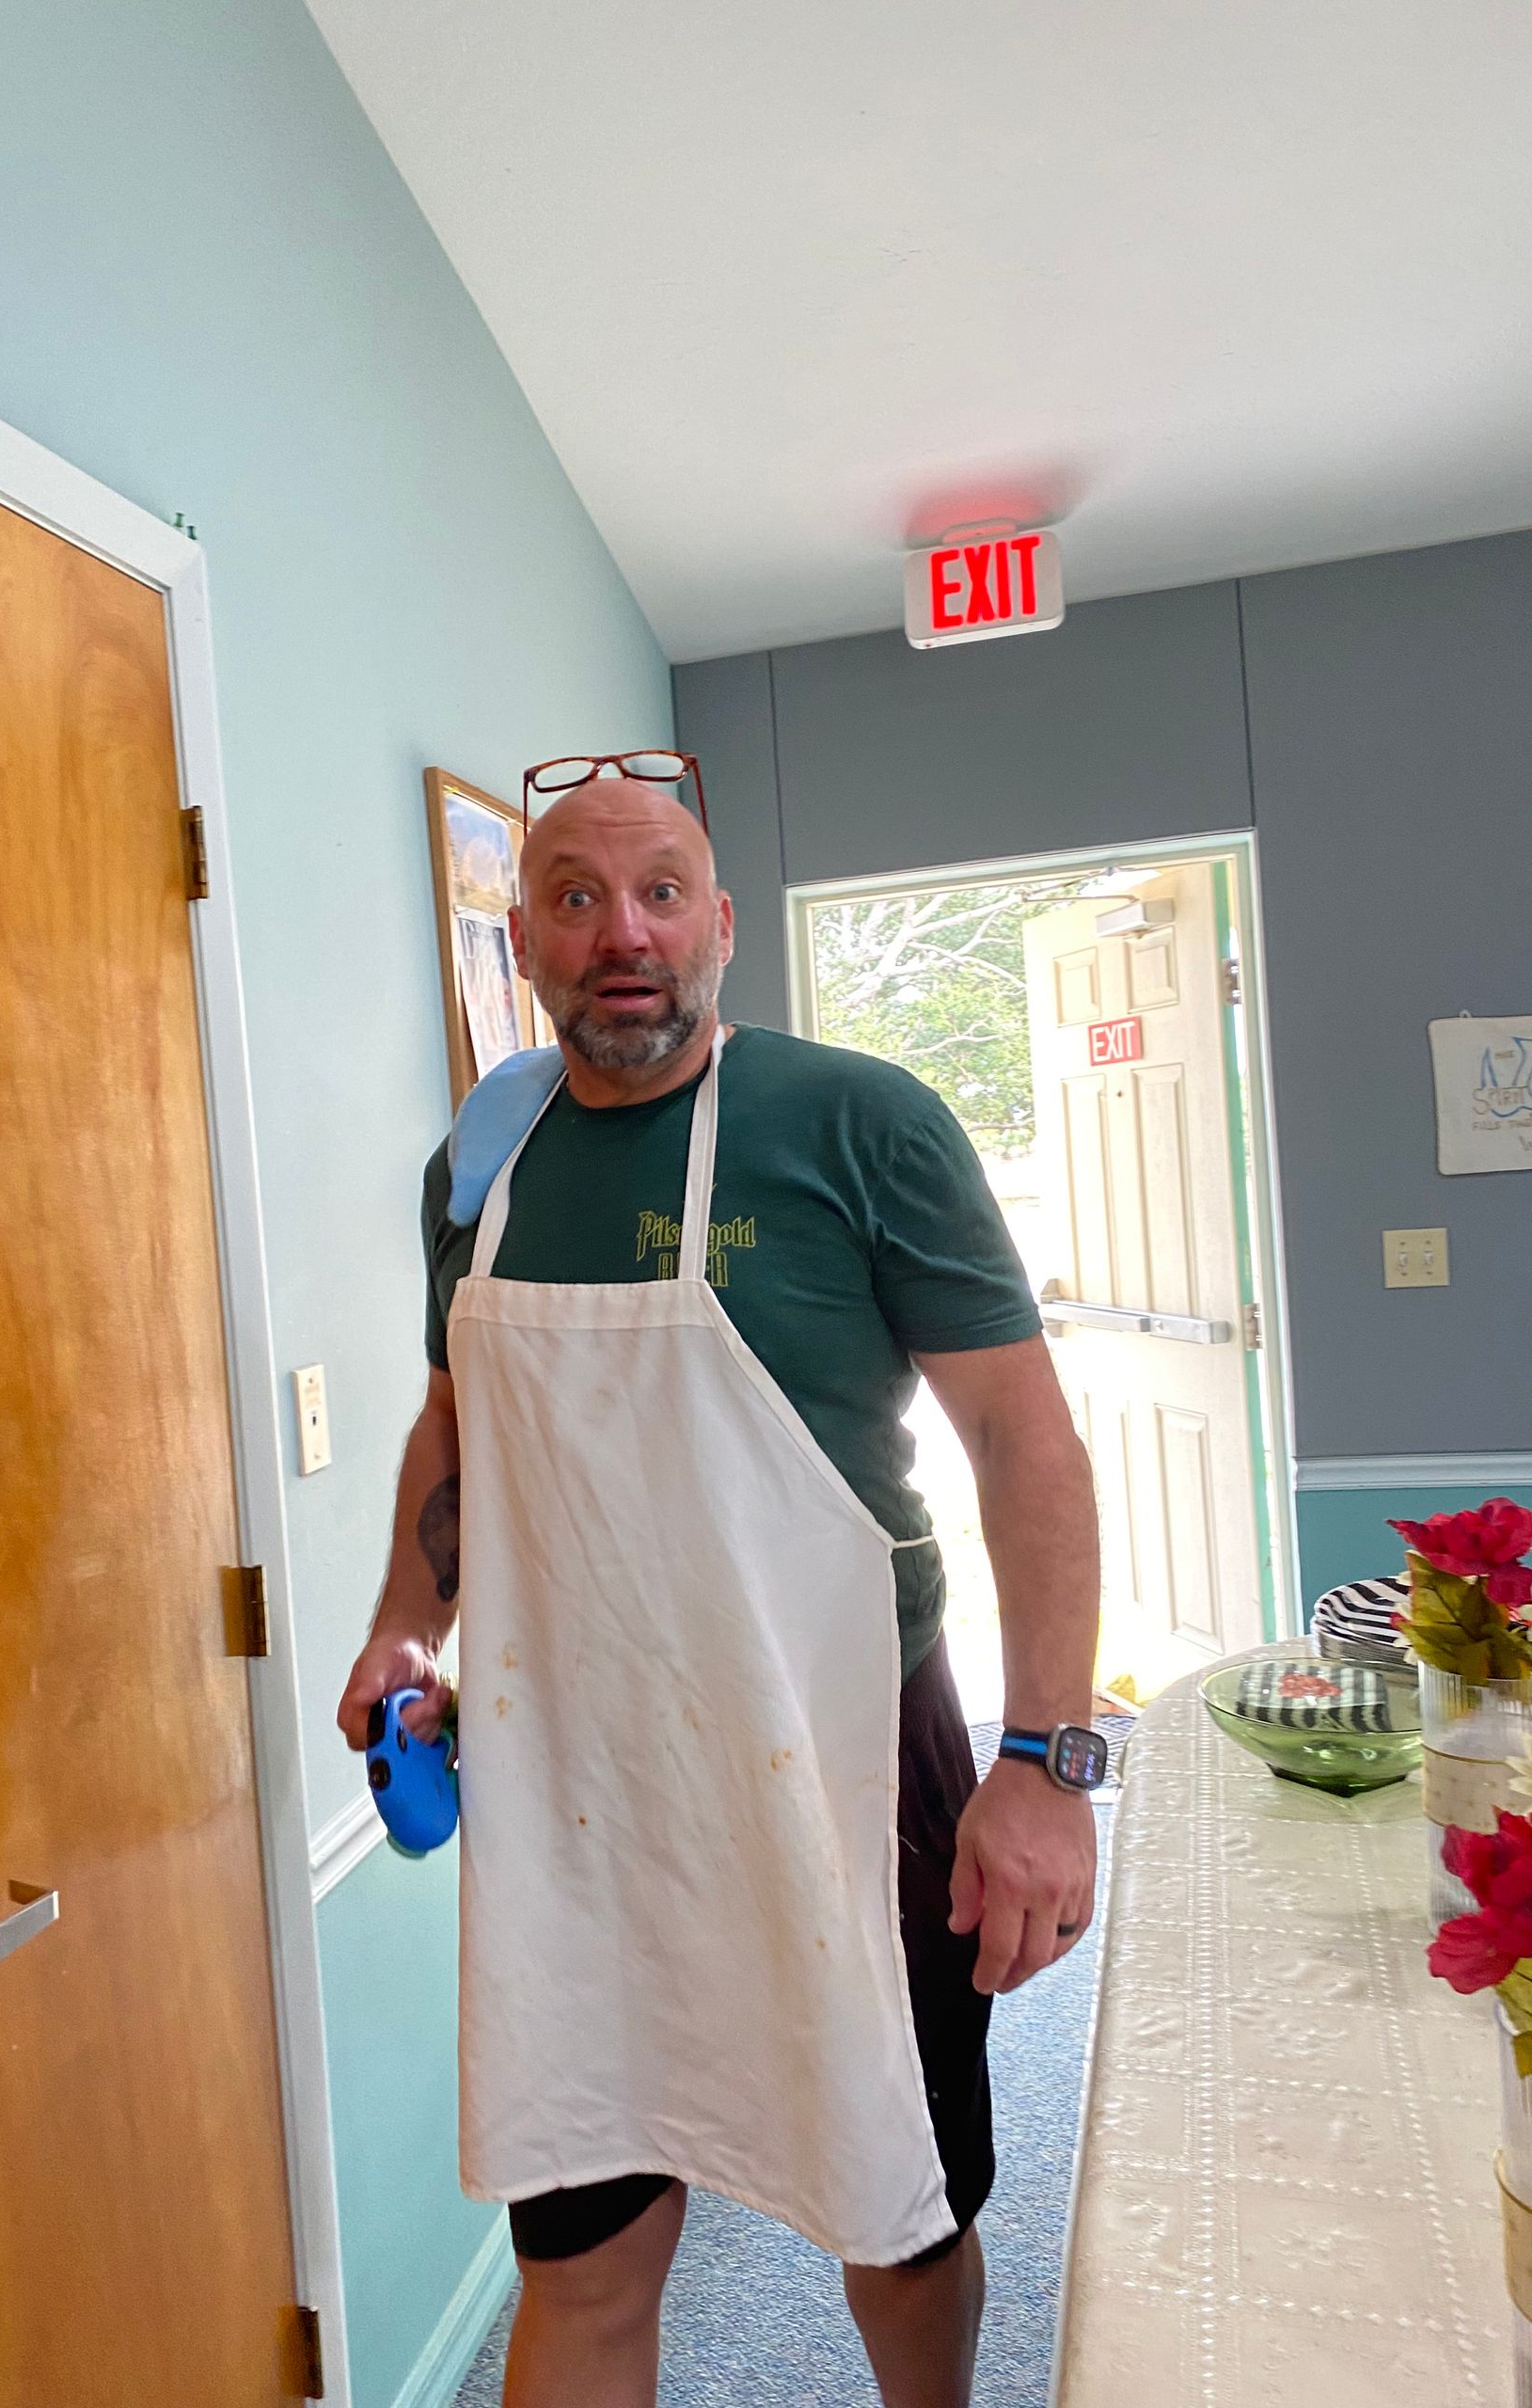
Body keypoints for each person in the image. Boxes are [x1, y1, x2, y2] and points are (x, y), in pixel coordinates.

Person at [339, 770, 1102, 2408]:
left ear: (722, 925)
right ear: (524, 939)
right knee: (582, 2246)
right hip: (572, 1788)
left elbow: (1023, 1442)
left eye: (663, 893)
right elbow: (455, 1424)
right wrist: (408, 1624)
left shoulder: (860, 1124)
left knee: (900, 2211)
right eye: (575, 897)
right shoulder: (482, 1164)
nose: (624, 934)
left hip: (841, 1757)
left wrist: (1047, 1761)